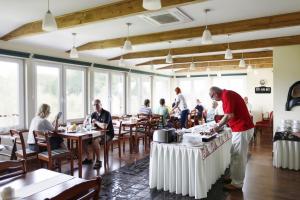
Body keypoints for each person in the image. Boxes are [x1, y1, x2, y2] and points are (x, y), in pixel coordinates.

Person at [209, 87, 254, 191]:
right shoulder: (226, 95)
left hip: (242, 129)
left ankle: (237, 183)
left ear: (215, 93)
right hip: (239, 129)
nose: (214, 100)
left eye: (212, 97)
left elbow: (229, 115)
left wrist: (218, 126)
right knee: (235, 154)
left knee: (239, 157)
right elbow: (229, 114)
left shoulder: (227, 95)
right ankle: (234, 177)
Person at [83, 99, 114, 169]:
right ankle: (89, 158)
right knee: (83, 140)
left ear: (101, 105)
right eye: (94, 105)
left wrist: (96, 122)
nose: (95, 106)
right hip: (97, 133)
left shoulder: (107, 113)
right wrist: (86, 120)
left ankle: (98, 160)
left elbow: (105, 126)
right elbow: (85, 124)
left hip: (108, 134)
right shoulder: (94, 114)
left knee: (95, 141)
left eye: (97, 104)